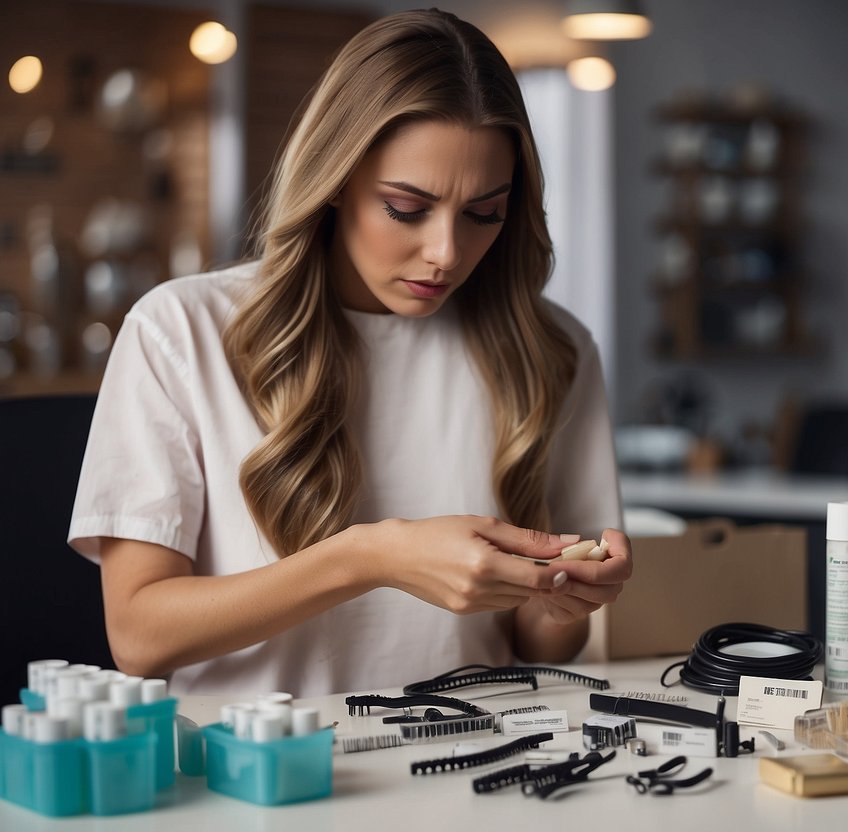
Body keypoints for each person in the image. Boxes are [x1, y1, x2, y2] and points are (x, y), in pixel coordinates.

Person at [68, 8, 630, 697]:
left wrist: (558, 601)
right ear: (334, 180)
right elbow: (138, 637)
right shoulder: (180, 331)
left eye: (484, 212)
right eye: (405, 207)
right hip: (253, 777)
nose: (446, 253)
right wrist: (370, 556)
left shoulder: (553, 349)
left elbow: (543, 644)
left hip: (469, 765)